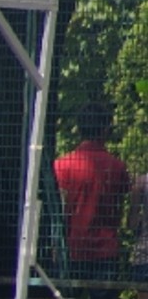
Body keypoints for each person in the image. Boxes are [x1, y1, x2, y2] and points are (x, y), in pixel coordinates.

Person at [53, 100, 128, 283]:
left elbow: (60, 211)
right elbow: (118, 208)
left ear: (79, 128)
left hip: (73, 247)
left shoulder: (62, 165)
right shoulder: (116, 166)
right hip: (105, 248)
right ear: (104, 129)